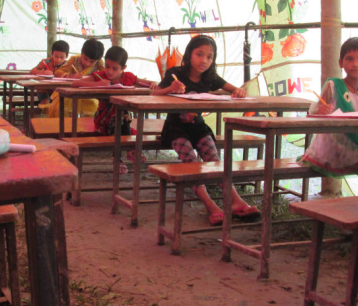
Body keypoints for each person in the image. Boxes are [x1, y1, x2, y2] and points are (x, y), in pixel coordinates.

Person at [151, 35, 260, 226]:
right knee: (191, 163)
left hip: (198, 127)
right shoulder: (175, 73)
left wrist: (240, 91)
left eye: (209, 57)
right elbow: (154, 93)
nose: (204, 60)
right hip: (176, 128)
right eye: (199, 54)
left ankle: (234, 201)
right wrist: (169, 88)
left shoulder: (210, 77)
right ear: (189, 54)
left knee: (214, 159)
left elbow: (235, 90)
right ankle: (210, 205)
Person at [299, 37, 358, 176]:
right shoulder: (333, 85)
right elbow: (315, 109)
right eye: (349, 59)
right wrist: (320, 110)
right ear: (341, 63)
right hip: (334, 147)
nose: (355, 64)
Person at [73, 45, 155, 173]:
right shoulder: (100, 76)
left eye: (115, 68)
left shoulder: (128, 78)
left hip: (122, 119)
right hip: (103, 118)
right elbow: (75, 83)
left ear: (123, 68)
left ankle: (119, 157)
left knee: (121, 116)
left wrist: (153, 84)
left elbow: (147, 83)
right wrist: (97, 84)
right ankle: (127, 152)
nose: (110, 71)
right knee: (121, 116)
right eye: (107, 66)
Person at [46, 38, 105, 118]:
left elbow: (105, 75)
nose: (87, 63)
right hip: (71, 93)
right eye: (85, 59)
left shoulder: (99, 63)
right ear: (82, 52)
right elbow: (57, 72)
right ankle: (65, 128)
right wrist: (70, 76)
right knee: (61, 107)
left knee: (95, 105)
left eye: (91, 62)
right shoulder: (74, 60)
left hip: (89, 94)